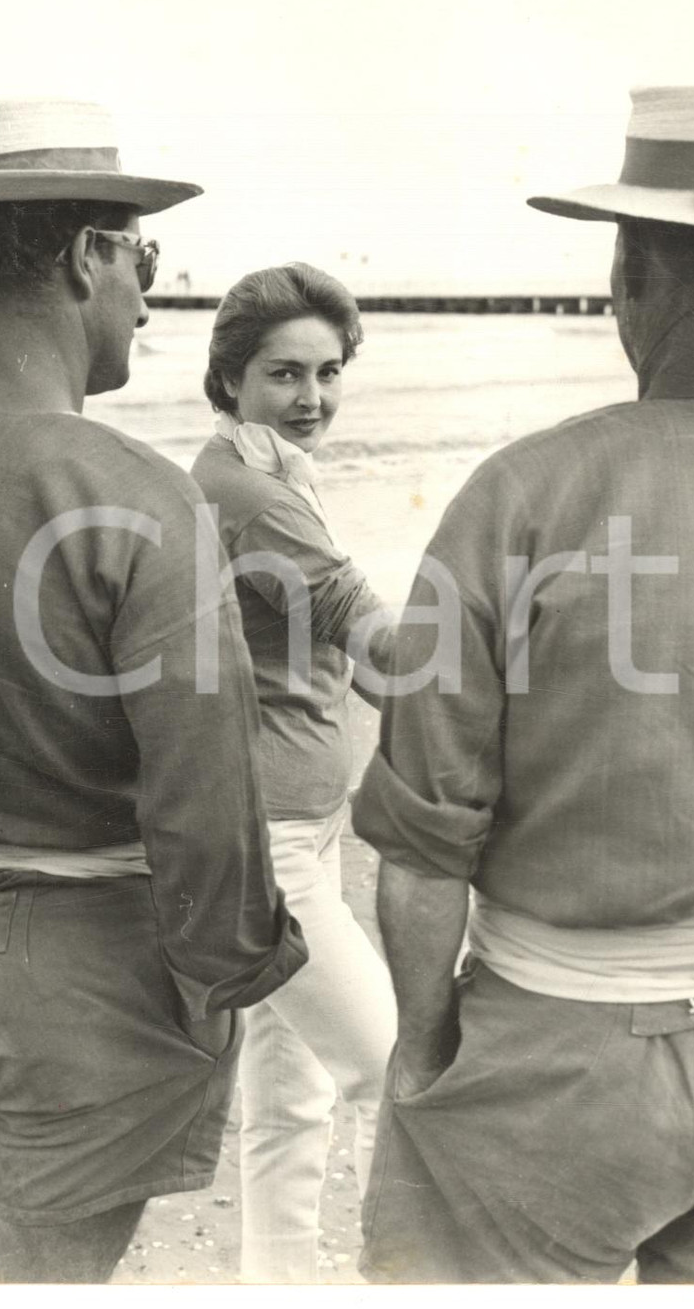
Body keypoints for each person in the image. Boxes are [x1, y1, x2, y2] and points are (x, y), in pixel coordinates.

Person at [352, 86, 694, 1285]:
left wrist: (421, 1046)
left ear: (627, 268)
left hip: (564, 1050)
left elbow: (423, 846)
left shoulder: (523, 493)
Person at [0, 99, 307, 1284]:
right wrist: (227, 979)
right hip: (82, 973)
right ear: (87, 255)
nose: (146, 296)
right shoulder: (133, 492)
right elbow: (204, 796)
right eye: (144, 258)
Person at [190, 263, 397, 1283]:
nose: (311, 397)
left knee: (292, 1098)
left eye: (328, 372)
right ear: (229, 377)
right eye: (283, 373)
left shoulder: (258, 473)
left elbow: (335, 651)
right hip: (274, 844)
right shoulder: (254, 495)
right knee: (389, 1067)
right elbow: (366, 626)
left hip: (291, 826)